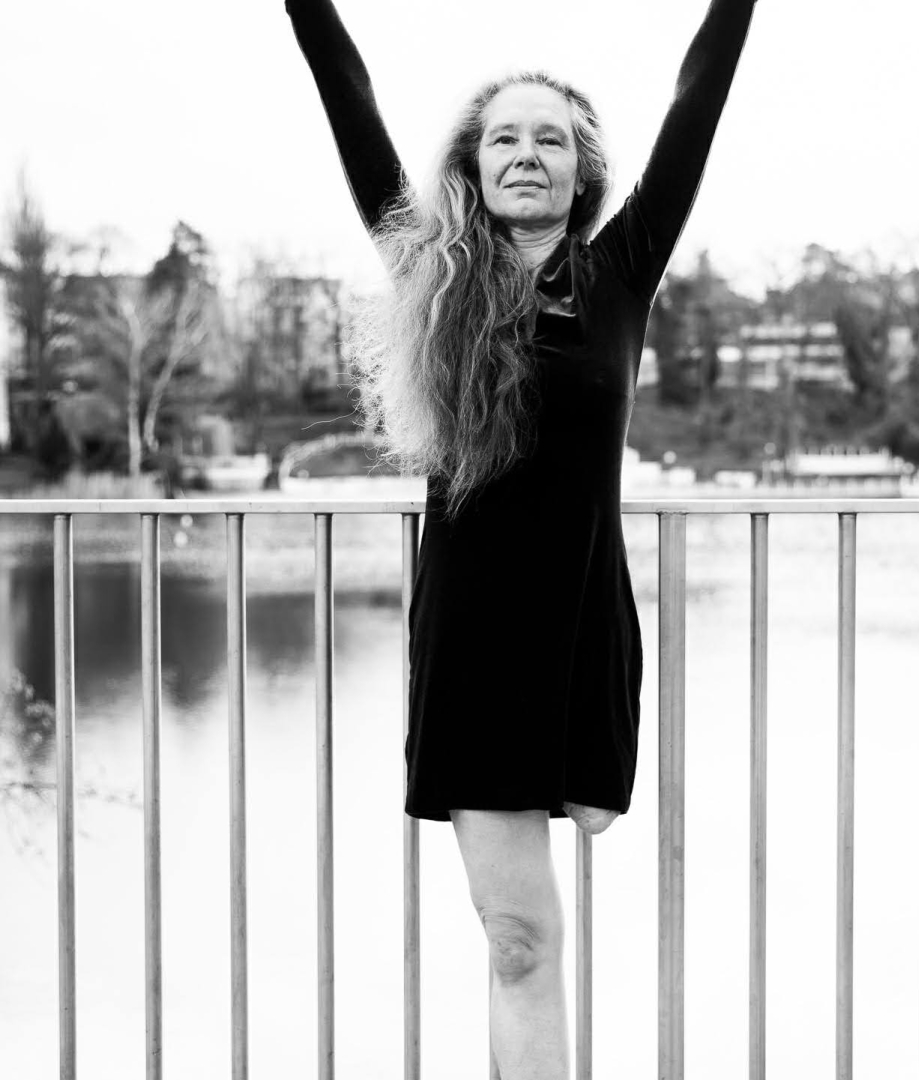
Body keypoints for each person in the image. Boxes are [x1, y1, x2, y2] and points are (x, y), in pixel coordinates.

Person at [286, 1, 757, 1075]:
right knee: (519, 938)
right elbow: (348, 95)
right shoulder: (429, 271)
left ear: (583, 171)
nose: (527, 154)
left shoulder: (620, 271)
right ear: (474, 164)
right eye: (504, 136)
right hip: (474, 644)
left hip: (583, 625)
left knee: (570, 859)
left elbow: (700, 96)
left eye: (550, 137)